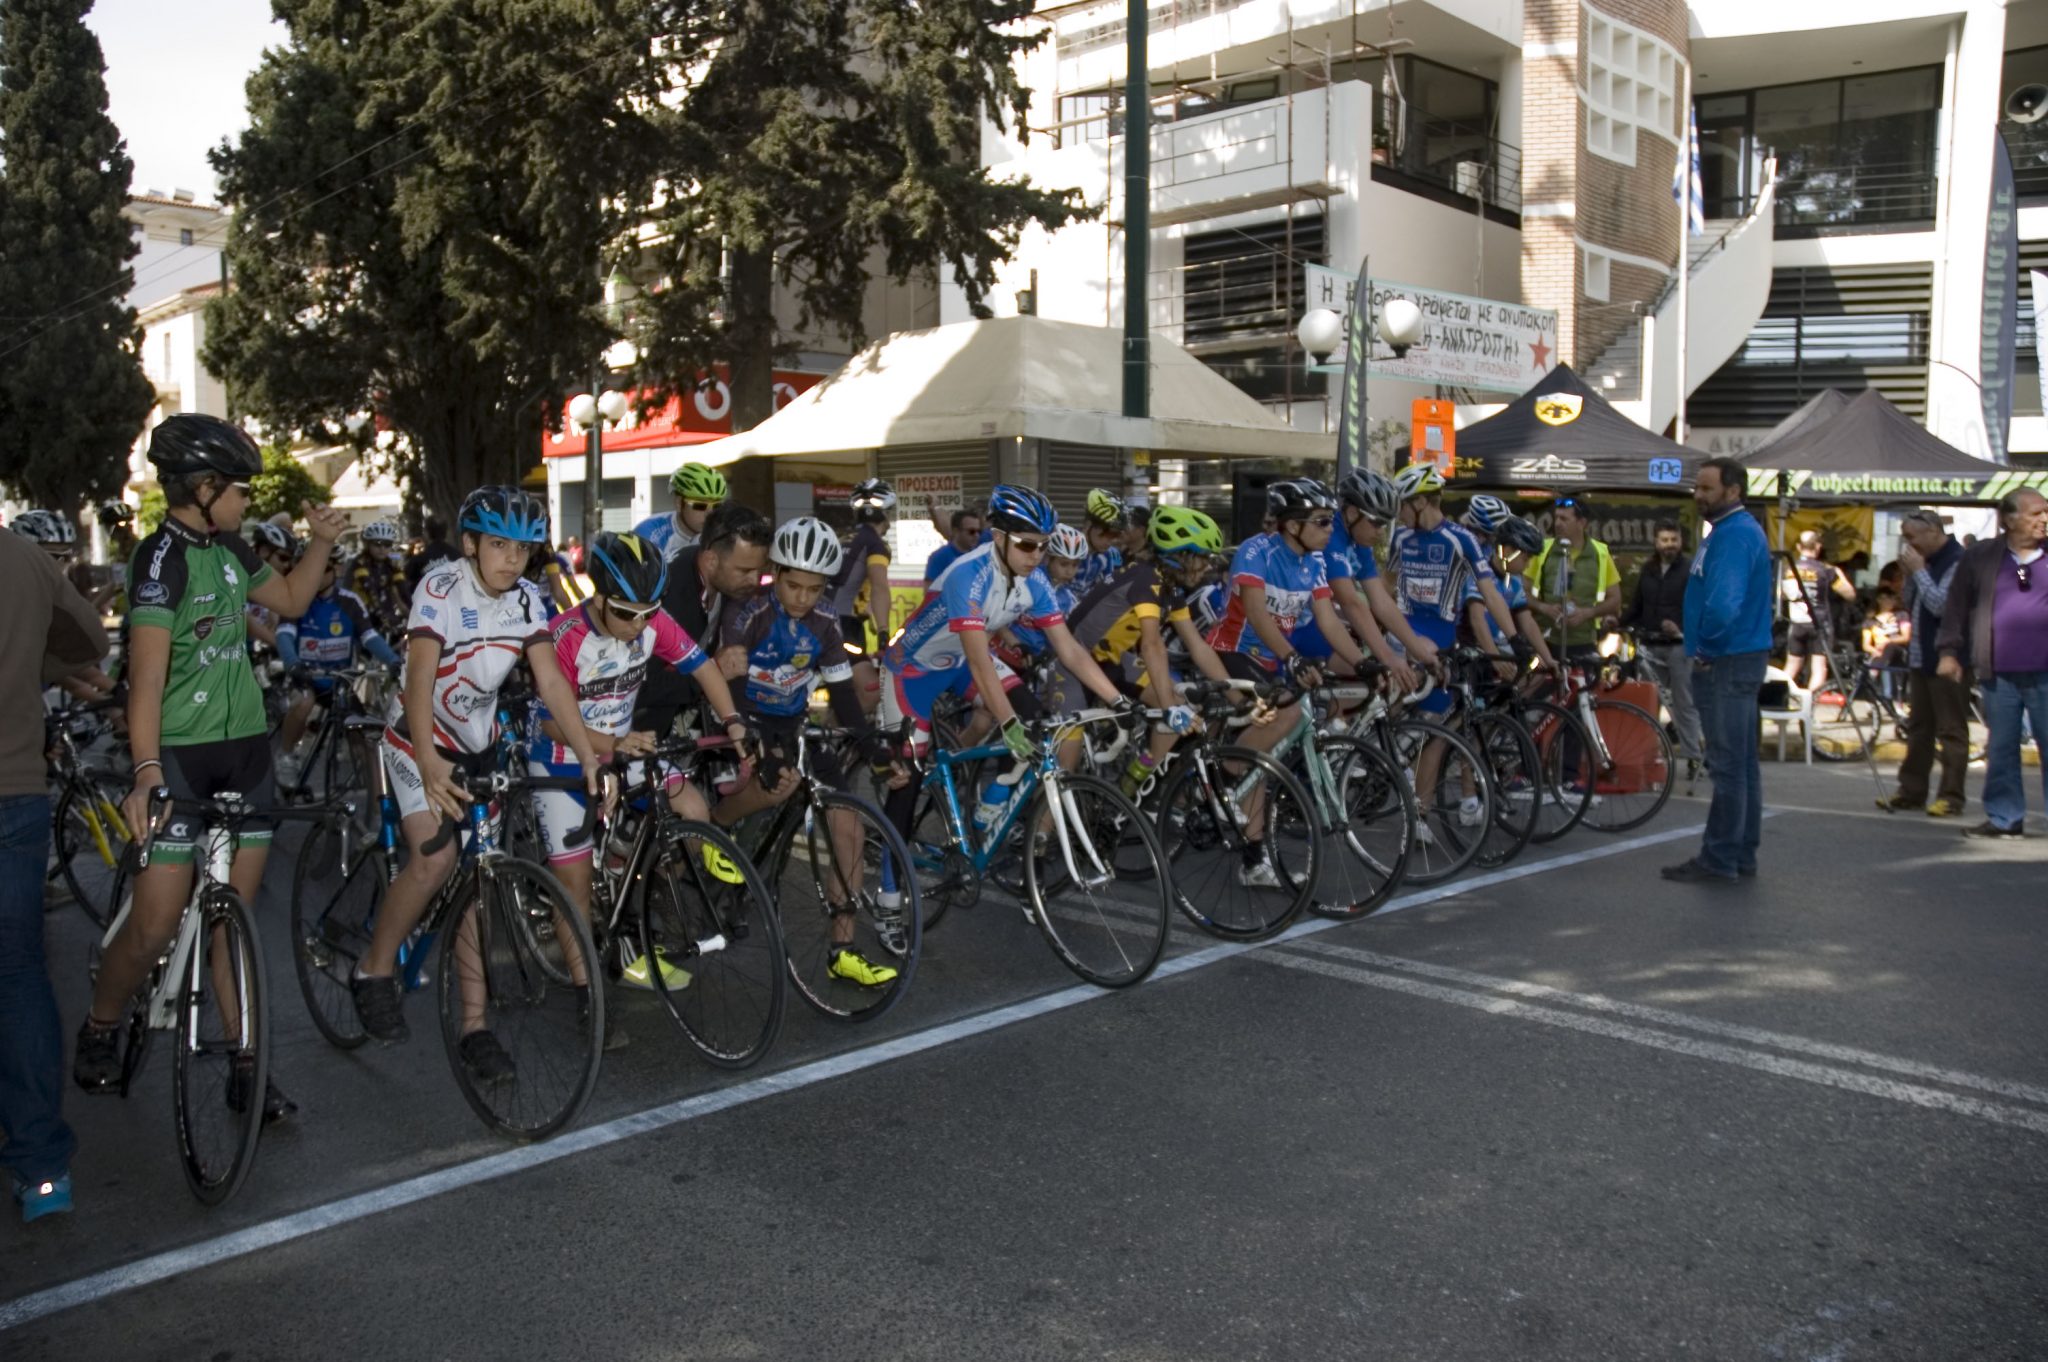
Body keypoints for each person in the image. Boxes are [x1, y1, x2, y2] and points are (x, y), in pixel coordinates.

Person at [75, 414, 349, 1121]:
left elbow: (291, 599)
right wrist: (145, 771)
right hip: (179, 756)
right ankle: (102, 1022)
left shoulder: (229, 549)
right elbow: (146, 678)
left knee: (232, 922)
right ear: (203, 488)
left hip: (246, 751)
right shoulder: (158, 560)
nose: (247, 501)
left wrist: (321, 542)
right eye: (239, 490)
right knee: (155, 924)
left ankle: (246, 1065)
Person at [349, 487, 610, 1083]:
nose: (512, 559)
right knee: (435, 858)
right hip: (418, 740)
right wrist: (427, 760)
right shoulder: (440, 587)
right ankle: (374, 970)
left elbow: (551, 682)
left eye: (522, 548)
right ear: (470, 544)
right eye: (498, 545)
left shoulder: (529, 598)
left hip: (477, 745)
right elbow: (419, 678)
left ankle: (475, 1028)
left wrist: (588, 755)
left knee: (479, 877)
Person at [528, 531, 755, 1039]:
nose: (638, 625)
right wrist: (612, 742)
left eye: (647, 614)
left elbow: (704, 668)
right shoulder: (566, 635)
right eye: (626, 613)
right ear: (599, 598)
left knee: (693, 809)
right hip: (563, 759)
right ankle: (589, 995)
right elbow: (551, 723)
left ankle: (625, 869)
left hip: (622, 748)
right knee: (574, 890)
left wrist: (734, 722)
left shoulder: (653, 621)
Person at [878, 484, 1136, 837]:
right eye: (1027, 545)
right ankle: (890, 870)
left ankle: (993, 806)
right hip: (911, 672)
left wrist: (1118, 701)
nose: (1037, 555)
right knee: (906, 780)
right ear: (999, 537)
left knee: (1036, 723)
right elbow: (978, 660)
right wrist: (1008, 723)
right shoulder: (967, 575)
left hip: (961, 662)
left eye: (1043, 546)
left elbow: (1070, 649)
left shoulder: (1035, 581)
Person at [707, 517, 900, 982]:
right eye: (793, 585)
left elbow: (844, 696)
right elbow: (730, 688)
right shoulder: (748, 611)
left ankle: (842, 950)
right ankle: (715, 829)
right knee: (767, 787)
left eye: (814, 590)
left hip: (792, 722)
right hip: (742, 718)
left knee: (848, 826)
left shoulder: (826, 621)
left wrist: (873, 748)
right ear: (775, 572)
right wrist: (755, 746)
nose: (802, 598)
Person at [1, 527, 107, 1222]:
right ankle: (42, 1167)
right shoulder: (20, 556)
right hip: (15, 790)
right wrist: (36, 665)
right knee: (17, 971)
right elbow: (88, 639)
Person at [1664, 457, 1773, 883]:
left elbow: (1724, 604)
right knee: (1741, 764)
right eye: (1698, 487)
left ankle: (1720, 857)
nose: (1698, 495)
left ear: (1733, 490)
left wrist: (1706, 649)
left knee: (1728, 765)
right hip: (1739, 656)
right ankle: (1740, 854)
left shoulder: (1732, 535)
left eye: (1707, 488)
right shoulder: (1734, 531)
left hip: (1727, 659)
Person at [1935, 487, 2048, 839]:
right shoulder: (1981, 556)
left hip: (2045, 672)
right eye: (2036, 513)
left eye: (2046, 512)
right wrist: (1948, 652)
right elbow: (1955, 606)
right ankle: (2004, 818)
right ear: (2009, 520)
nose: (2045, 519)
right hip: (1997, 672)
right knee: (2000, 748)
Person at [632, 504, 775, 737]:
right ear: (711, 561)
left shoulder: (721, 583)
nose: (754, 580)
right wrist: (711, 672)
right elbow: (636, 686)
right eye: (744, 571)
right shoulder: (668, 599)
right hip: (634, 735)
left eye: (760, 570)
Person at [274, 543, 403, 789]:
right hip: (306, 676)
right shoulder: (297, 599)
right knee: (304, 702)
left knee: (361, 733)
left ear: (337, 570)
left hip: (340, 680)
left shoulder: (349, 601)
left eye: (323, 569)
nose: (315, 575)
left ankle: (374, 796)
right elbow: (284, 635)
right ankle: (287, 754)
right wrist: (292, 663)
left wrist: (393, 661)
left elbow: (369, 637)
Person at [1880, 510, 1969, 817]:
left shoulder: (1957, 561)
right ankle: (1911, 791)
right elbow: (1911, 602)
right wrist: (1910, 575)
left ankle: (1951, 796)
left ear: (1933, 530)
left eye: (1912, 537)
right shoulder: (1925, 563)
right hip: (1920, 657)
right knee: (1919, 727)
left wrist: (1918, 571)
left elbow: (1942, 605)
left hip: (1948, 657)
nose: (1909, 544)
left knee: (1951, 729)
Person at [1617, 519, 1705, 770]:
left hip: (1679, 646)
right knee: (1649, 703)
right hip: (1649, 645)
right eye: (1665, 540)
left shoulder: (1690, 570)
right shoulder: (1648, 569)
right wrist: (1618, 622)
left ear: (1681, 541)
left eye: (1674, 540)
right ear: (1656, 542)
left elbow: (1699, 608)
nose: (1669, 545)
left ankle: (1693, 759)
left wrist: (1681, 629)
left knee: (1683, 703)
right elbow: (1637, 605)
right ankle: (1649, 757)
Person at [825, 478, 895, 703]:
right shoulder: (876, 544)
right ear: (887, 514)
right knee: (870, 690)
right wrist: (884, 632)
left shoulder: (841, 538)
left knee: (844, 695)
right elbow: (879, 586)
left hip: (822, 621)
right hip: (842, 627)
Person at [1528, 497, 1619, 662]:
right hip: (1545, 640)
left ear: (1581, 523)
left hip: (1584, 641)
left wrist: (1587, 613)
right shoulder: (1542, 550)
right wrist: (1544, 608)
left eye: (1564, 519)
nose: (1557, 523)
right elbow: (1521, 593)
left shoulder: (1600, 553)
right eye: (1556, 518)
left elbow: (1615, 600)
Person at [1780, 528, 1856, 691]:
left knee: (1792, 666)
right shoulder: (1826, 570)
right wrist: (1839, 574)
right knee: (1819, 668)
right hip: (1819, 623)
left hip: (1796, 622)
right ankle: (1810, 702)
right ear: (1818, 547)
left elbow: (1782, 595)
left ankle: (1776, 699)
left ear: (1799, 547)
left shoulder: (1788, 569)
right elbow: (1849, 594)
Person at [635, 462, 730, 562]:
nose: (709, 513)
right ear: (679, 503)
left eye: (716, 506)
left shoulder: (722, 534)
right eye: (700, 505)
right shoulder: (649, 533)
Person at [349, 518, 410, 631]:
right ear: (368, 544)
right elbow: (370, 591)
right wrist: (384, 618)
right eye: (377, 544)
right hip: (362, 617)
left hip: (386, 615)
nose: (382, 548)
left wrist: (414, 614)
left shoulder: (391, 565)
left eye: (387, 544)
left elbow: (403, 590)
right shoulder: (360, 563)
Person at [1074, 489, 1128, 595]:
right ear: (1088, 525)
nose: (1113, 540)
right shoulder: (1067, 548)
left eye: (1117, 534)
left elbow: (1109, 591)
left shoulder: (1107, 555)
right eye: (1108, 533)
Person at [1860, 589, 1910, 696]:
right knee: (1883, 654)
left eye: (1893, 599)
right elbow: (1866, 644)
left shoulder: (1901, 615)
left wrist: (1888, 641)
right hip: (1879, 653)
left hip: (1898, 650)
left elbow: (1906, 637)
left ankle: (1873, 671)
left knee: (1889, 646)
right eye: (1888, 598)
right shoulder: (1870, 621)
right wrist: (1875, 651)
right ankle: (1880, 690)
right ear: (1879, 600)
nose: (1891, 601)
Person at [925, 509, 985, 586]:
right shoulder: (940, 557)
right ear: (956, 531)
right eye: (971, 531)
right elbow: (930, 589)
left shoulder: (981, 556)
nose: (976, 535)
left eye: (979, 531)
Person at [404, 515, 458, 595]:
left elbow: (407, 580)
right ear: (445, 532)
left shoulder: (419, 560)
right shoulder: (457, 555)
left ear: (427, 533)